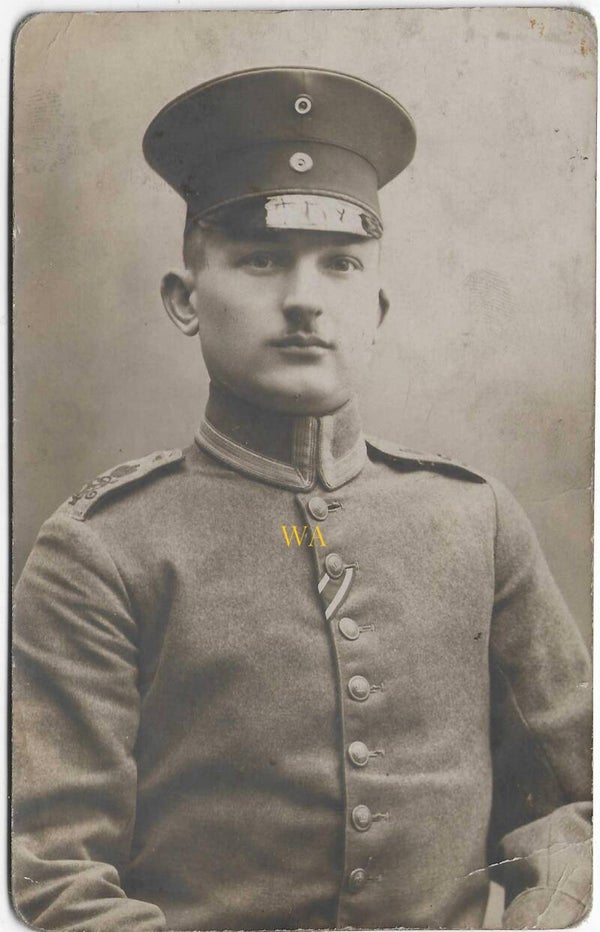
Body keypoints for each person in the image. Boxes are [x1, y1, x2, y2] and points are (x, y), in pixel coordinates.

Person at [12, 67, 591, 932]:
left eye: (342, 265)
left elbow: (576, 804)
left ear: (378, 306)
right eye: (259, 259)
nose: (305, 301)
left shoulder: (474, 519)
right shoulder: (101, 550)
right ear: (184, 300)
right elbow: (52, 876)